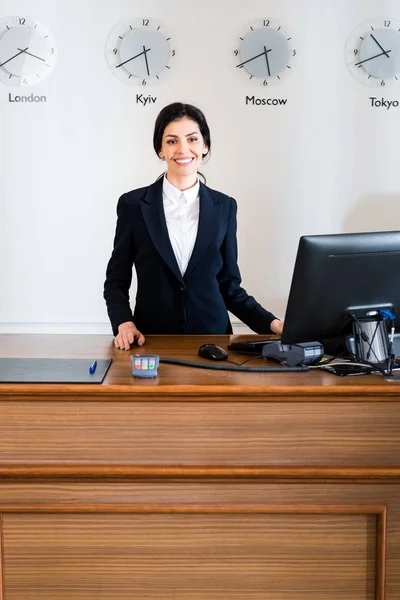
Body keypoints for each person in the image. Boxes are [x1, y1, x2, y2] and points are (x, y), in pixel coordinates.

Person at [104, 102, 283, 350]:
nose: (183, 149)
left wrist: (272, 323)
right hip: (153, 341)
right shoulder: (133, 205)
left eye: (192, 139)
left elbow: (230, 287)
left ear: (205, 145)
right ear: (160, 149)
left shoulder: (225, 207)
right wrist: (124, 323)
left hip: (215, 342)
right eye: (171, 141)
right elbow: (115, 282)